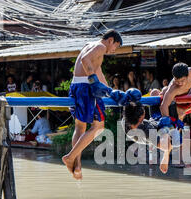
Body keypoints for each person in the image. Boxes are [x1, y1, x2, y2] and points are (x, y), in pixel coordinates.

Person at [62, 29, 123, 180]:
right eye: (116, 46)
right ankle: (70, 157)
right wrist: (93, 81)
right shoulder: (101, 47)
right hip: (86, 88)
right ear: (111, 40)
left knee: (80, 127)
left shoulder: (91, 45)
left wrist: (109, 90)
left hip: (77, 86)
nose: (114, 50)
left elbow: (98, 70)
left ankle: (77, 165)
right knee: (98, 127)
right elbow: (84, 59)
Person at [122, 101, 184, 174]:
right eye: (143, 117)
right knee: (171, 118)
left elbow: (129, 107)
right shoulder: (148, 133)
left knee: (155, 93)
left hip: (154, 121)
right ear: (140, 119)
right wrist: (165, 157)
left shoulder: (126, 120)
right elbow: (166, 145)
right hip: (162, 129)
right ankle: (177, 121)